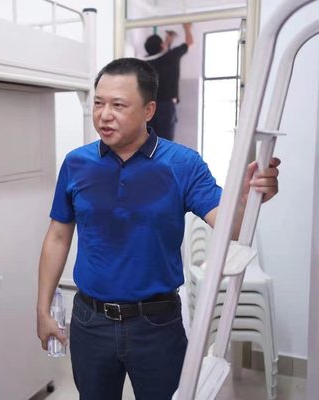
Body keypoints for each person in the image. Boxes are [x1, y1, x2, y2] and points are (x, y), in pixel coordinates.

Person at [36, 57, 280, 399]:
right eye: (99, 103)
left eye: (118, 105)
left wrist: (247, 199)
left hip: (156, 324)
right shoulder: (76, 163)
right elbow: (58, 237)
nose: (104, 115)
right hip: (91, 322)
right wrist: (43, 308)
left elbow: (232, 229)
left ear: (149, 110)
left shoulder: (182, 164)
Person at [144, 23, 194, 141]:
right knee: (165, 143)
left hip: (148, 107)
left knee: (149, 141)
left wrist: (167, 41)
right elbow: (190, 43)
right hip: (166, 107)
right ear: (161, 45)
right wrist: (187, 28)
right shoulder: (171, 57)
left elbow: (160, 54)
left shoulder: (144, 64)